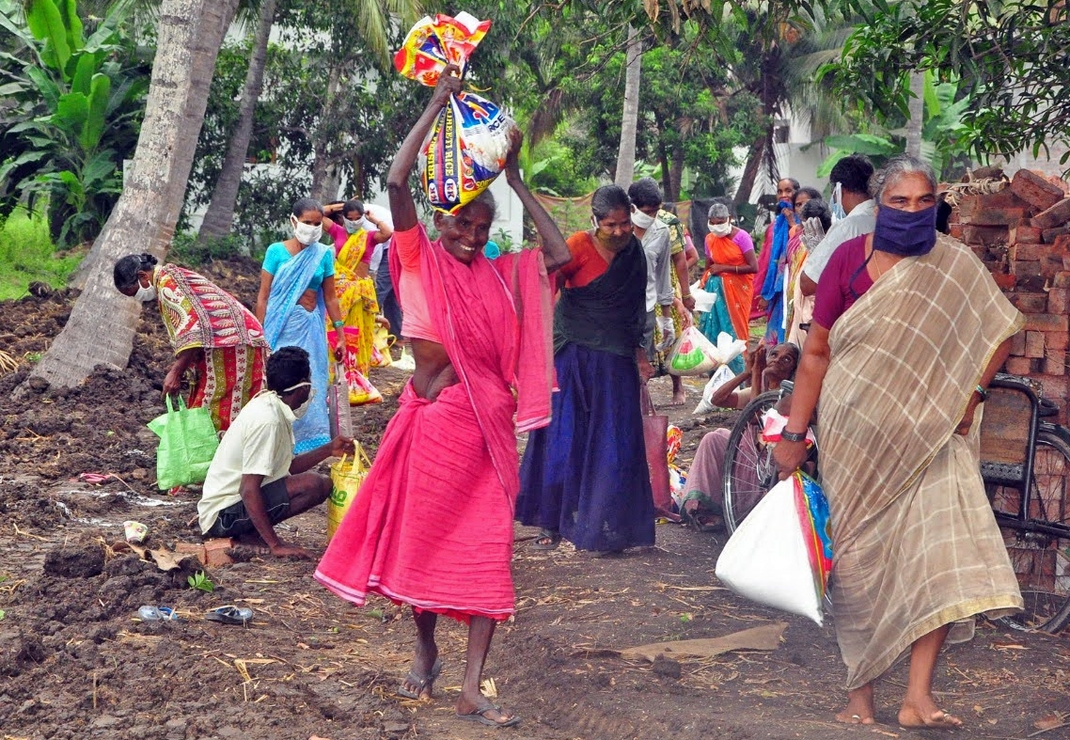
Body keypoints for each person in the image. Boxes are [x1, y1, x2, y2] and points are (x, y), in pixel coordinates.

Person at [314, 64, 571, 729]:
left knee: (488, 553)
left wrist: (514, 183)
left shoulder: (501, 274)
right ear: (441, 221)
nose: (472, 235)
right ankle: (425, 652)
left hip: (485, 430)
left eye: (483, 226)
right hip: (430, 429)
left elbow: (558, 253)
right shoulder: (415, 256)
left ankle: (472, 687)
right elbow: (397, 181)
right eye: (462, 224)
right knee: (421, 551)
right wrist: (435, 105)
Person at [773, 155, 1024, 729]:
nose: (913, 211)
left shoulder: (954, 266)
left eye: (923, 201)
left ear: (936, 204)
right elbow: (816, 354)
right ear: (878, 205)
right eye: (898, 201)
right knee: (859, 565)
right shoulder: (846, 262)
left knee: (935, 556)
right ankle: (860, 696)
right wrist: (794, 434)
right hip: (853, 439)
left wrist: (973, 397)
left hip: (933, 440)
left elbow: (1002, 327)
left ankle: (917, 698)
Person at [516, 184, 656, 556]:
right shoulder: (576, 246)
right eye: (610, 225)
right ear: (594, 221)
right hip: (573, 356)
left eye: (624, 224)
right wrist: (538, 348)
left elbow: (635, 306)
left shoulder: (634, 252)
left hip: (616, 359)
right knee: (563, 437)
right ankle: (551, 521)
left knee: (614, 440)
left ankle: (607, 525)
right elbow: (546, 289)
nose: (619, 232)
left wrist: (641, 352)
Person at [197, 346, 354, 558]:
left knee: (320, 484)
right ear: (303, 388)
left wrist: (328, 449)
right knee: (313, 484)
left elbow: (285, 467)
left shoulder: (274, 407)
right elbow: (248, 490)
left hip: (234, 506)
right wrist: (276, 545)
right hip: (222, 516)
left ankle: (250, 531)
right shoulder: (267, 421)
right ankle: (249, 533)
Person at [113, 253, 269, 433]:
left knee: (213, 410)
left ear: (142, 276)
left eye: (133, 293)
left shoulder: (167, 285)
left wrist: (176, 372)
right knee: (214, 405)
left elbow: (193, 331)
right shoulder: (169, 277)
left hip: (233, 344)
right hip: (234, 340)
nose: (137, 298)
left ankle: (219, 454)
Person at [256, 198, 346, 453]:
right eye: (307, 223)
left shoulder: (322, 254)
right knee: (281, 383)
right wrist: (260, 334)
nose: (313, 228)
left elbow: (330, 297)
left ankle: (309, 443)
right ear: (294, 221)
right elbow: (264, 295)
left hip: (310, 330)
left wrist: (340, 334)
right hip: (280, 330)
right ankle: (275, 441)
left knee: (312, 379)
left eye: (317, 223)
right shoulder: (276, 252)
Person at [681, 342, 798, 529]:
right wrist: (748, 372)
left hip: (768, 460)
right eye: (774, 355)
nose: (777, 361)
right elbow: (717, 399)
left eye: (786, 359)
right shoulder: (758, 386)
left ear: (793, 369)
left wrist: (758, 372)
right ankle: (708, 509)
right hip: (746, 452)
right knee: (714, 438)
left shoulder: (790, 396)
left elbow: (754, 416)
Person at [327, 200, 394, 405]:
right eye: (350, 218)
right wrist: (334, 208)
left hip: (360, 291)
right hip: (340, 290)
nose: (354, 221)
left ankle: (357, 375)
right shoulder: (337, 233)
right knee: (339, 331)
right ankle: (339, 374)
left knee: (358, 333)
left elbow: (388, 232)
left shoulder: (369, 236)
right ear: (344, 218)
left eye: (358, 218)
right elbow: (318, 215)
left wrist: (370, 216)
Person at [799, 154, 876, 296]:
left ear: (840, 190)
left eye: (833, 193)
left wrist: (817, 253)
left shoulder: (847, 227)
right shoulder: (887, 217)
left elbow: (808, 284)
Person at [697, 202, 757, 374]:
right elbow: (709, 265)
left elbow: (754, 266)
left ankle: (739, 372)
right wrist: (703, 283)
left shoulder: (741, 237)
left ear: (729, 219)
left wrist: (725, 268)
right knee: (714, 327)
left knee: (735, 330)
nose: (716, 226)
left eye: (720, 222)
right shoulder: (710, 238)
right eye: (713, 222)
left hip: (738, 290)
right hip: (716, 291)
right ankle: (716, 370)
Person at [628, 178, 676, 380]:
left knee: (642, 365)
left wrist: (666, 320)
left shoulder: (661, 232)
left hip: (645, 307)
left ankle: (639, 408)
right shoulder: (617, 228)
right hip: (615, 308)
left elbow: (662, 275)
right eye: (647, 212)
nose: (652, 216)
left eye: (655, 212)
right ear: (632, 208)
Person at [657, 197, 699, 405]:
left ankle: (678, 387)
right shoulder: (626, 220)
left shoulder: (669, 223)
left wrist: (685, 293)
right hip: (638, 288)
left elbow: (681, 259)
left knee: (672, 337)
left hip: (666, 288)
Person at [785, 198, 832, 347]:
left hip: (814, 316)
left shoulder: (829, 246)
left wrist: (818, 253)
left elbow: (811, 288)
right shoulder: (806, 244)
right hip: (800, 311)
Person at [751, 176, 798, 320]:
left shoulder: (805, 221)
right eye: (780, 191)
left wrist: (791, 222)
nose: (783, 195)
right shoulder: (773, 227)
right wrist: (766, 291)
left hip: (796, 283)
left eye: (788, 191)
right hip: (777, 286)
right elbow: (767, 261)